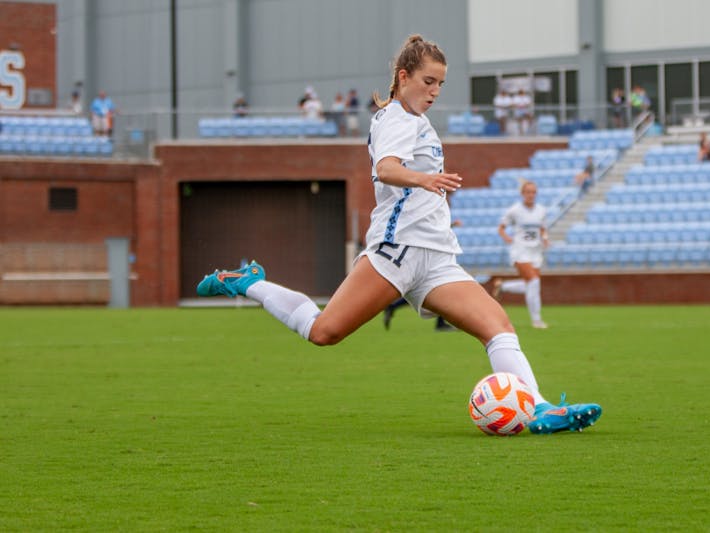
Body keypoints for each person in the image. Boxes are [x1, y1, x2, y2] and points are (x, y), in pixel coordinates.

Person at [195, 34, 601, 434]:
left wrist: (431, 195)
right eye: (429, 81)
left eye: (441, 83)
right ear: (404, 77)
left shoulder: (417, 121)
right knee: (324, 332)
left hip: (437, 258)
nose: (436, 90)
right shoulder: (395, 118)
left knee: (498, 329)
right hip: (397, 252)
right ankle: (251, 283)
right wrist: (425, 179)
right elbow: (386, 168)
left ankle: (541, 408)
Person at [493, 181, 549, 329]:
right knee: (534, 282)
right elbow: (501, 228)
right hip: (520, 250)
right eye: (528, 192)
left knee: (531, 285)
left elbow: (542, 229)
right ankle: (536, 320)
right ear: (522, 194)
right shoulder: (515, 210)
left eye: (533, 192)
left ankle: (502, 286)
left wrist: (545, 238)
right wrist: (507, 238)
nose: (531, 195)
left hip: (535, 251)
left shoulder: (541, 210)